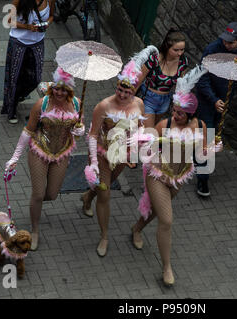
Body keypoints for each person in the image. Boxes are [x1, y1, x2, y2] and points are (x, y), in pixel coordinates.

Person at [130, 65, 221, 286]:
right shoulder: (165, 124)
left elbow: (202, 153)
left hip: (179, 177)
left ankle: (136, 229)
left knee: (157, 211)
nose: (175, 114)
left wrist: (214, 148)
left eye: (180, 112)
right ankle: (167, 268)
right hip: (158, 174)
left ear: (191, 113)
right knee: (167, 220)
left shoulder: (200, 126)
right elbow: (144, 146)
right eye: (174, 110)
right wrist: (145, 142)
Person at [81, 47, 154, 257]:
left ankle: (87, 197)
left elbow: (143, 128)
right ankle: (104, 236)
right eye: (119, 90)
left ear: (134, 91)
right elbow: (93, 135)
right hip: (103, 154)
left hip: (122, 155)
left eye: (127, 91)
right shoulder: (103, 106)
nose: (122, 94)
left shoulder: (139, 104)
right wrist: (94, 162)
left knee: (106, 185)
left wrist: (138, 137)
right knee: (105, 194)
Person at [4, 67, 85, 251]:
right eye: (56, 88)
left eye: (63, 89)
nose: (59, 92)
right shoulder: (42, 103)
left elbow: (79, 128)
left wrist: (80, 131)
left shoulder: (78, 104)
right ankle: (35, 229)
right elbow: (28, 130)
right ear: (51, 87)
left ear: (69, 91)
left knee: (52, 195)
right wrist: (14, 157)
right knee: (39, 194)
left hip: (62, 152)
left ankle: (36, 202)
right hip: (39, 150)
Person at [195, 21, 237, 197]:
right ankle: (202, 180)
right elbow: (202, 78)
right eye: (225, 41)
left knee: (211, 136)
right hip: (208, 99)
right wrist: (213, 100)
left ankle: (199, 160)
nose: (226, 44)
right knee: (208, 135)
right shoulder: (212, 49)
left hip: (225, 100)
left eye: (231, 42)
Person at [1, 0, 54, 124]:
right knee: (15, 77)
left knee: (35, 78)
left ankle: (18, 95)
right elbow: (8, 21)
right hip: (19, 41)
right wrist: (28, 27)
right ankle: (11, 108)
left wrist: (46, 24)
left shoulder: (50, 0)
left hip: (37, 42)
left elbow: (51, 16)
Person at [136, 29, 189, 128]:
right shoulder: (154, 59)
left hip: (165, 101)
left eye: (182, 50)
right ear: (167, 47)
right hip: (148, 99)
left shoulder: (183, 62)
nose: (179, 53)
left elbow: (181, 85)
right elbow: (138, 80)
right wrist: (126, 100)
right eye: (176, 50)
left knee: (145, 130)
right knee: (149, 133)